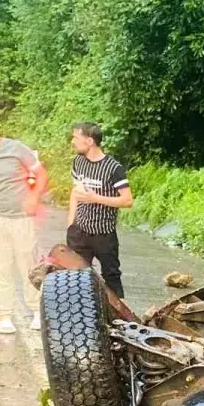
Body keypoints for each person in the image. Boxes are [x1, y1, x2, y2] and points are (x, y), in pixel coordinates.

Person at [0, 111, 48, 334]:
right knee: (1, 267)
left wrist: (33, 197)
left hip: (22, 220)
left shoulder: (16, 148)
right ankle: (5, 315)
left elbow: (41, 175)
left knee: (29, 266)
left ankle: (36, 312)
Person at [67, 122, 132, 297]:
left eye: (76, 137)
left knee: (111, 276)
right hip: (79, 230)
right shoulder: (78, 162)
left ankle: (119, 318)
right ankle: (78, 316)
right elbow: (76, 192)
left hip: (104, 233)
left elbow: (127, 200)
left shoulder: (113, 168)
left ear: (89, 141)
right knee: (75, 276)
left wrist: (96, 198)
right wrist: (71, 223)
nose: (73, 141)